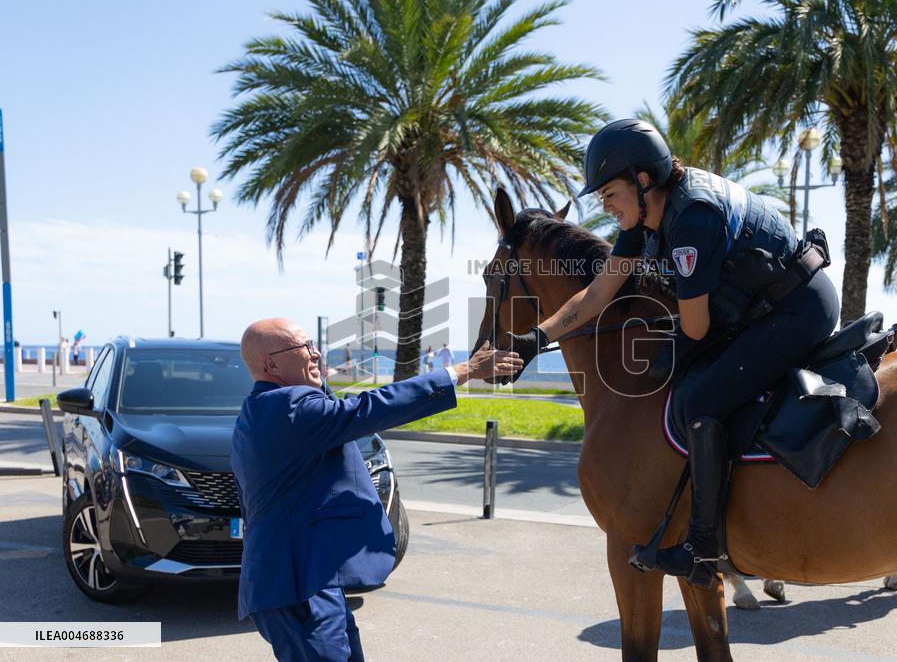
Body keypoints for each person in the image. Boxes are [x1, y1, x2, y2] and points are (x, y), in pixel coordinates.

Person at [505, 119, 839, 587]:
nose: (604, 205)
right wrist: (536, 338)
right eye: (600, 197)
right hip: (761, 307)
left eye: (609, 193)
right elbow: (598, 294)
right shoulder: (643, 218)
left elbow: (697, 327)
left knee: (699, 401)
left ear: (643, 181)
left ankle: (703, 548)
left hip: (798, 309)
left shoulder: (692, 219)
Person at [232, 318, 522, 661]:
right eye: (303, 348)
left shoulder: (263, 408)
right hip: (297, 585)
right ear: (271, 364)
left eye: (313, 345)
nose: (315, 354)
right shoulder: (290, 408)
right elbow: (371, 407)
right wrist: (462, 370)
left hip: (307, 577)